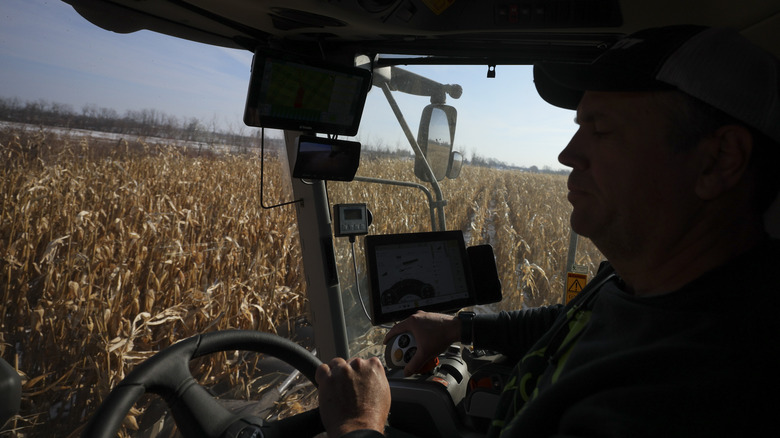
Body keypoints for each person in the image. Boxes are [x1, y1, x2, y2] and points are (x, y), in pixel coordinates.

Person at [315, 24, 780, 437]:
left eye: (599, 130)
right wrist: (460, 326)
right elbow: (568, 320)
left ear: (719, 161)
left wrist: (360, 425)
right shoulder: (640, 284)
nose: (567, 154)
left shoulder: (690, 394)